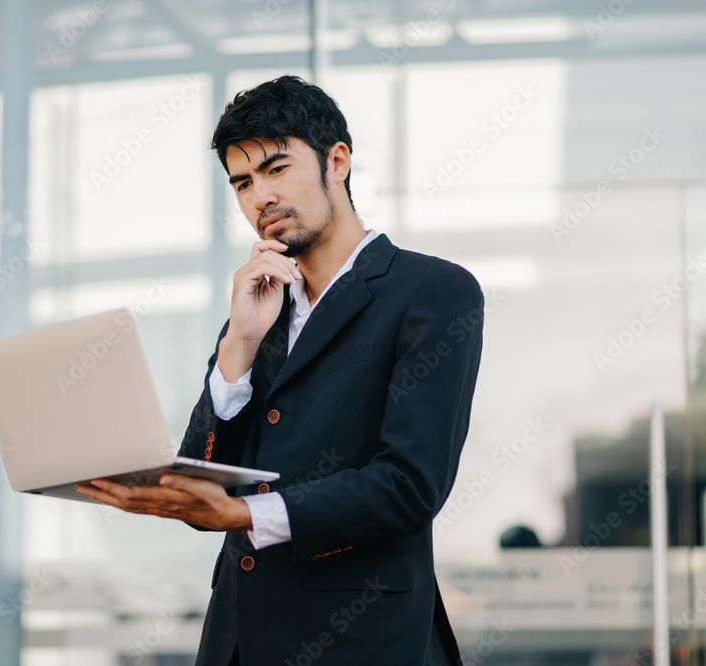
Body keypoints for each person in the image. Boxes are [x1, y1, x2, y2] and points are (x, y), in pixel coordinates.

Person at [78, 74, 484, 665]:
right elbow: (206, 482)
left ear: (337, 162)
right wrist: (239, 342)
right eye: (242, 183)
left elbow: (409, 485)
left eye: (276, 168)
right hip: (240, 641)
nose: (259, 196)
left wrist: (245, 513)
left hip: (363, 642)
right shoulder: (256, 314)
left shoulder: (430, 291)